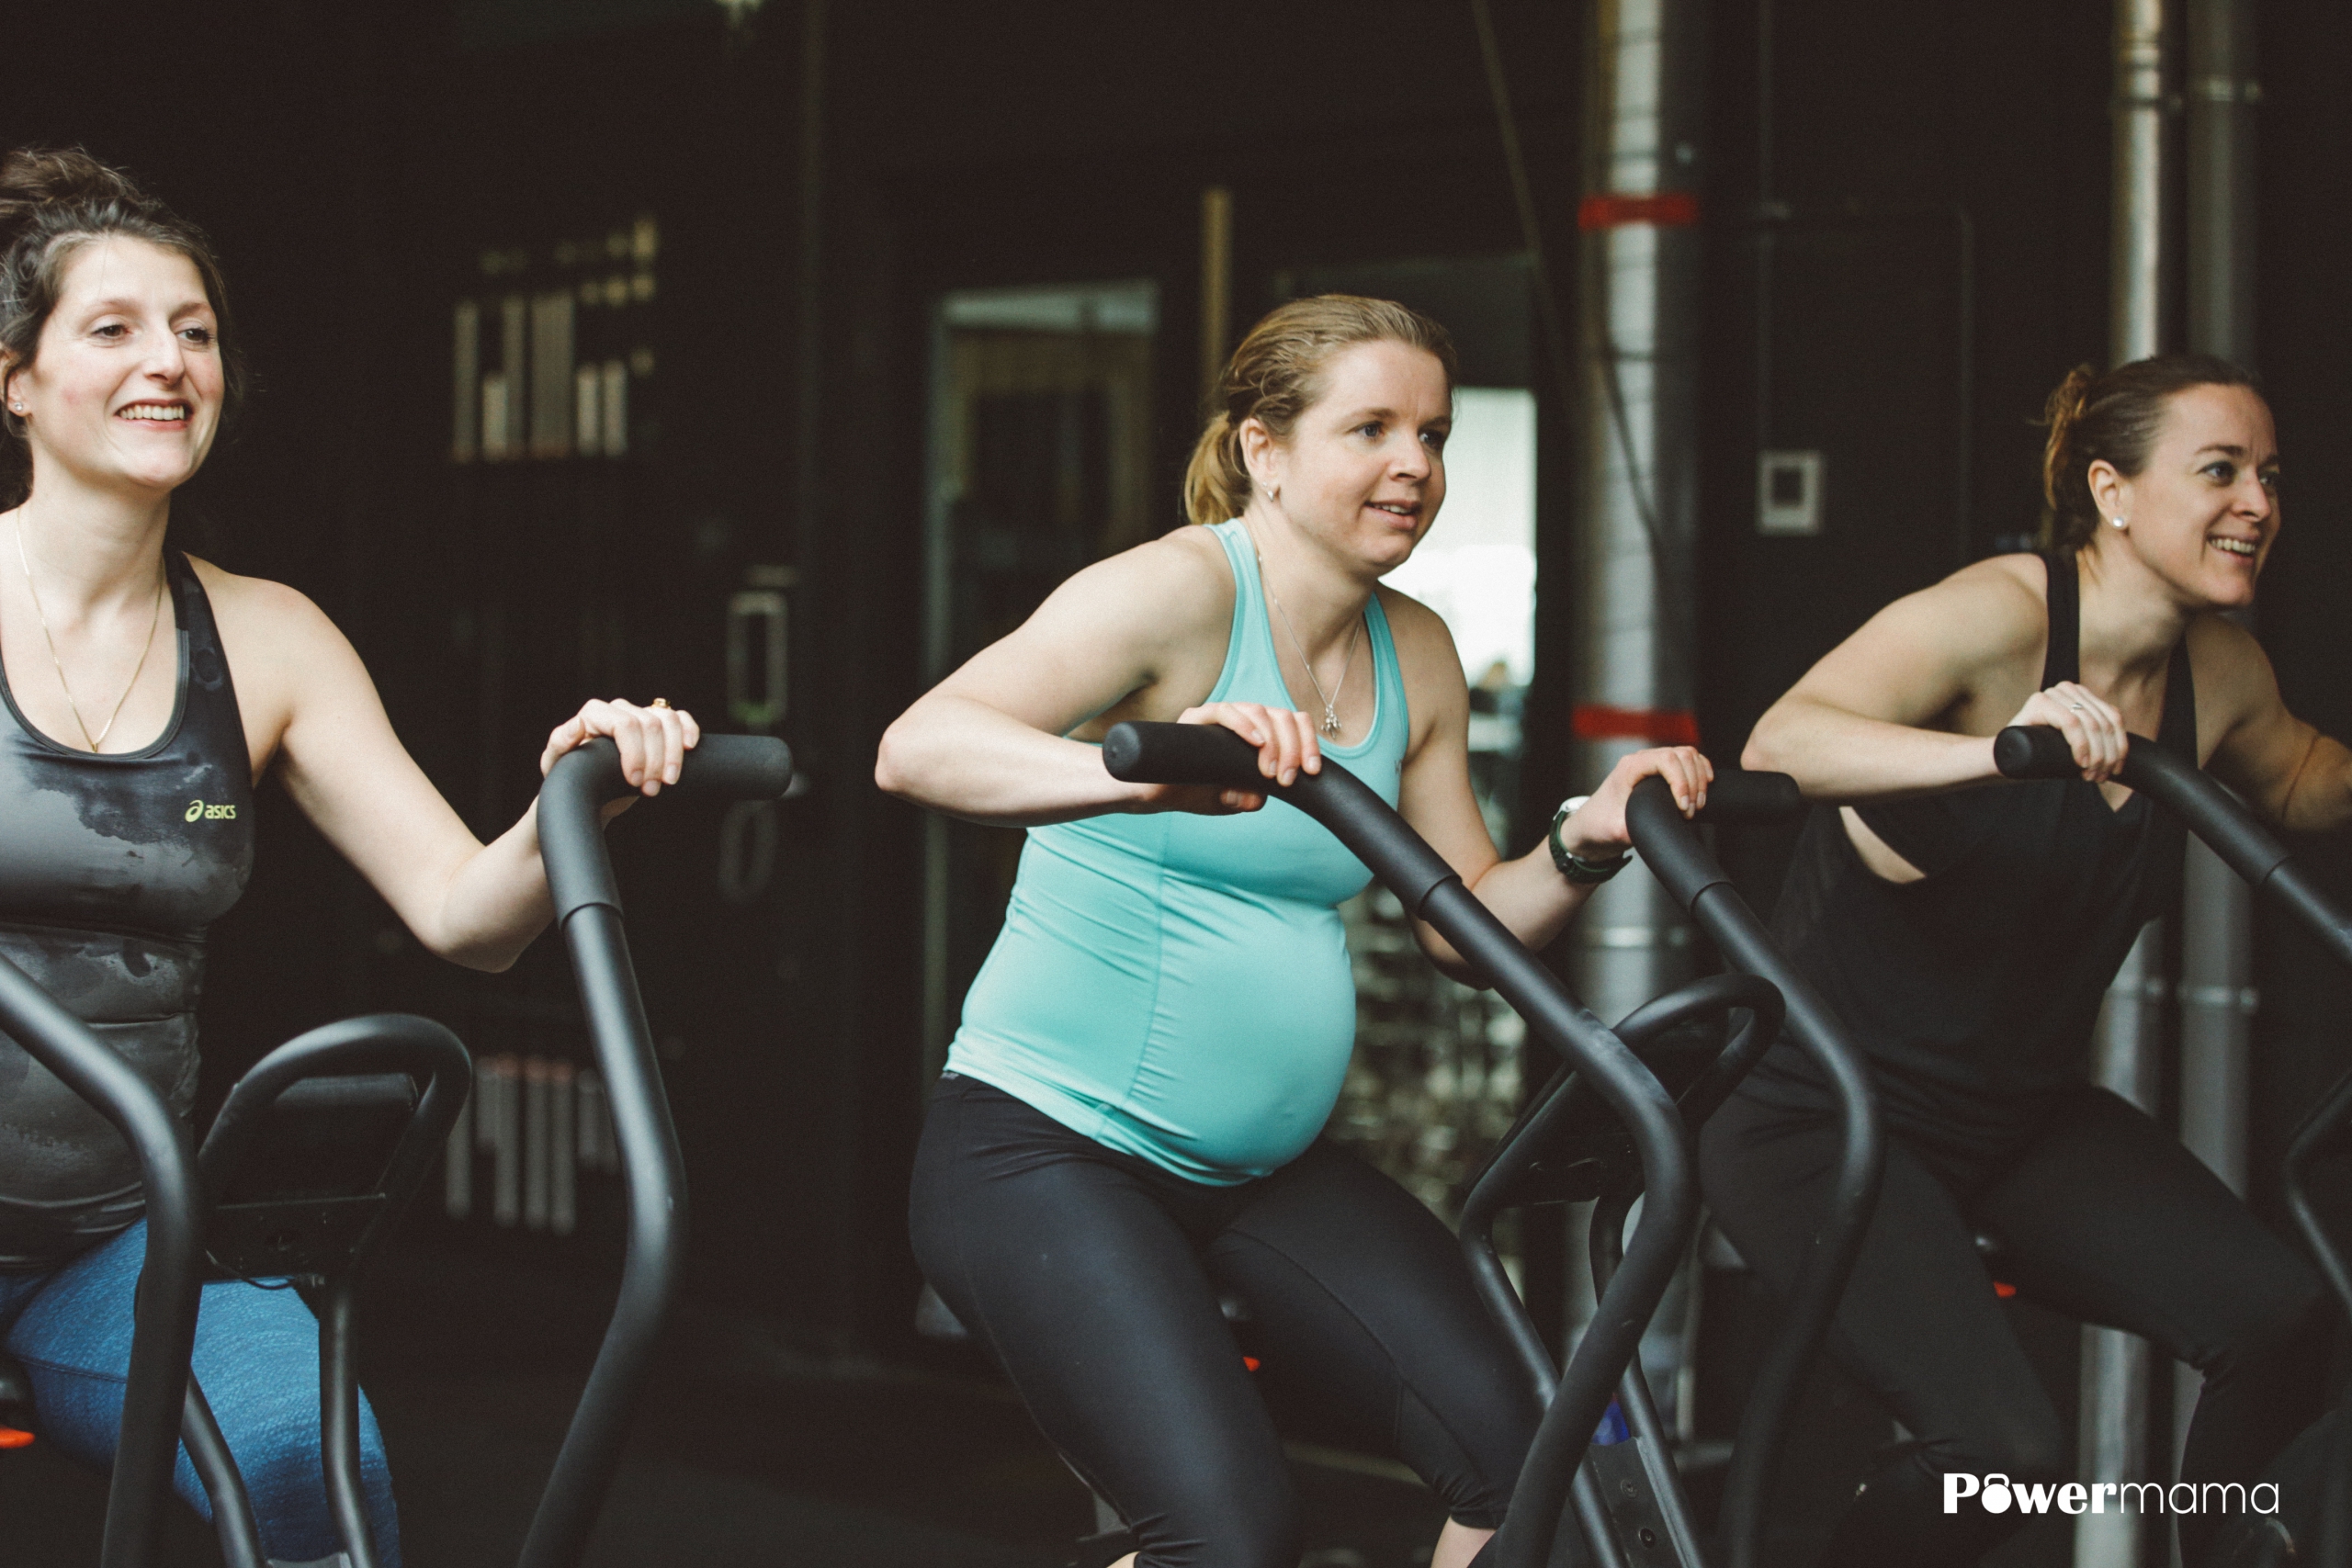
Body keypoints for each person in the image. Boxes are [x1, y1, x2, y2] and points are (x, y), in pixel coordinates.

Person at [876, 294, 1710, 1568]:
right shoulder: (1178, 591)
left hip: (1261, 1170)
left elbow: (1461, 924)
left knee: (1526, 1450)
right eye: (1368, 428)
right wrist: (1147, 773)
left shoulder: (1416, 650)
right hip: (1044, 1153)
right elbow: (916, 748)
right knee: (1227, 1534)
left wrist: (1585, 839)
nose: (1413, 465)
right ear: (1264, 449)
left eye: (1432, 435)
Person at [0, 147, 697, 1568]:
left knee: (308, 1464)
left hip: (111, 1235)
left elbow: (467, 916)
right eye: (115, 328)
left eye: (194, 331)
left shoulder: (267, 637)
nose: (170, 362)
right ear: (14, 378)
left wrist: (575, 800)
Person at [1719, 354, 2343, 1566]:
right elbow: (1783, 740)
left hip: (2013, 1115)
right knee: (2008, 1460)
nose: (2258, 503)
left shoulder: (2219, 673)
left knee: (2283, 1318)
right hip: (1819, 1115)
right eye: (2218, 471)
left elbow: (2307, 779)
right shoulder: (2000, 616)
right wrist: (2003, 751)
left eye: (2269, 475)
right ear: (2112, 490)